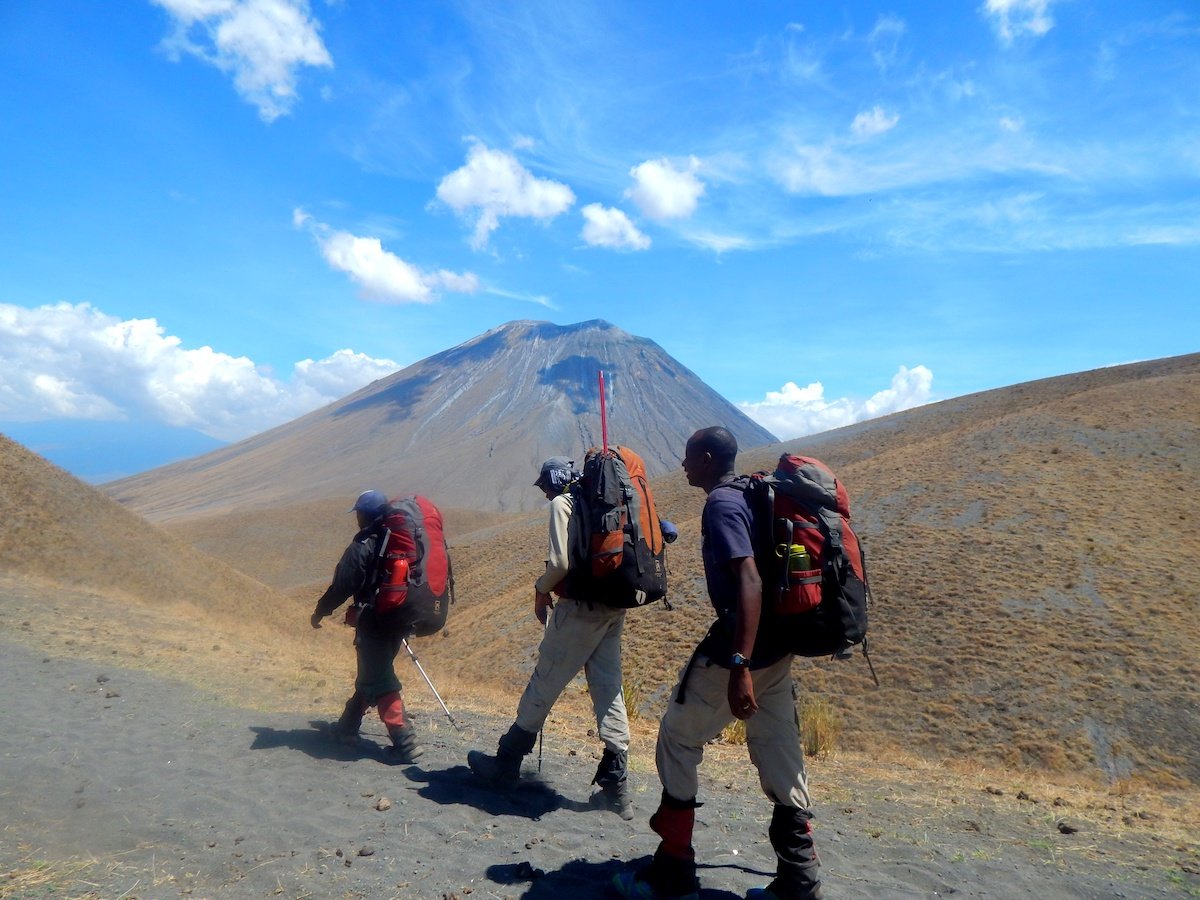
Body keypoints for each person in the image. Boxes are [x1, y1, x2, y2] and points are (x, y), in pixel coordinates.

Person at [613, 427, 823, 900]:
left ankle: (673, 871)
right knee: (779, 749)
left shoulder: (722, 505)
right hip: (779, 645)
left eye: (688, 457)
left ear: (706, 459)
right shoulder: (753, 492)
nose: (683, 465)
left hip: (744, 649)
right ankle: (799, 882)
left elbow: (749, 581)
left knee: (678, 736)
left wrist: (739, 664)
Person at [467, 456, 633, 819]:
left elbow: (559, 564)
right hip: (613, 607)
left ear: (552, 482)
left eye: (543, 487)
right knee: (609, 687)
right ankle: (616, 788)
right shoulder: (604, 499)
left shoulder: (564, 503)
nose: (544, 494)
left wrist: (540, 590)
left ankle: (505, 764)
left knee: (545, 683)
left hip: (579, 609)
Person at [309, 489, 423, 764]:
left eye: (358, 513)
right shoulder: (395, 542)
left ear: (365, 515)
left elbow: (343, 584)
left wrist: (321, 610)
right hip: (398, 619)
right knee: (373, 671)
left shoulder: (365, 543)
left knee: (380, 680)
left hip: (375, 620)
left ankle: (404, 741)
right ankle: (346, 728)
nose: (356, 518)